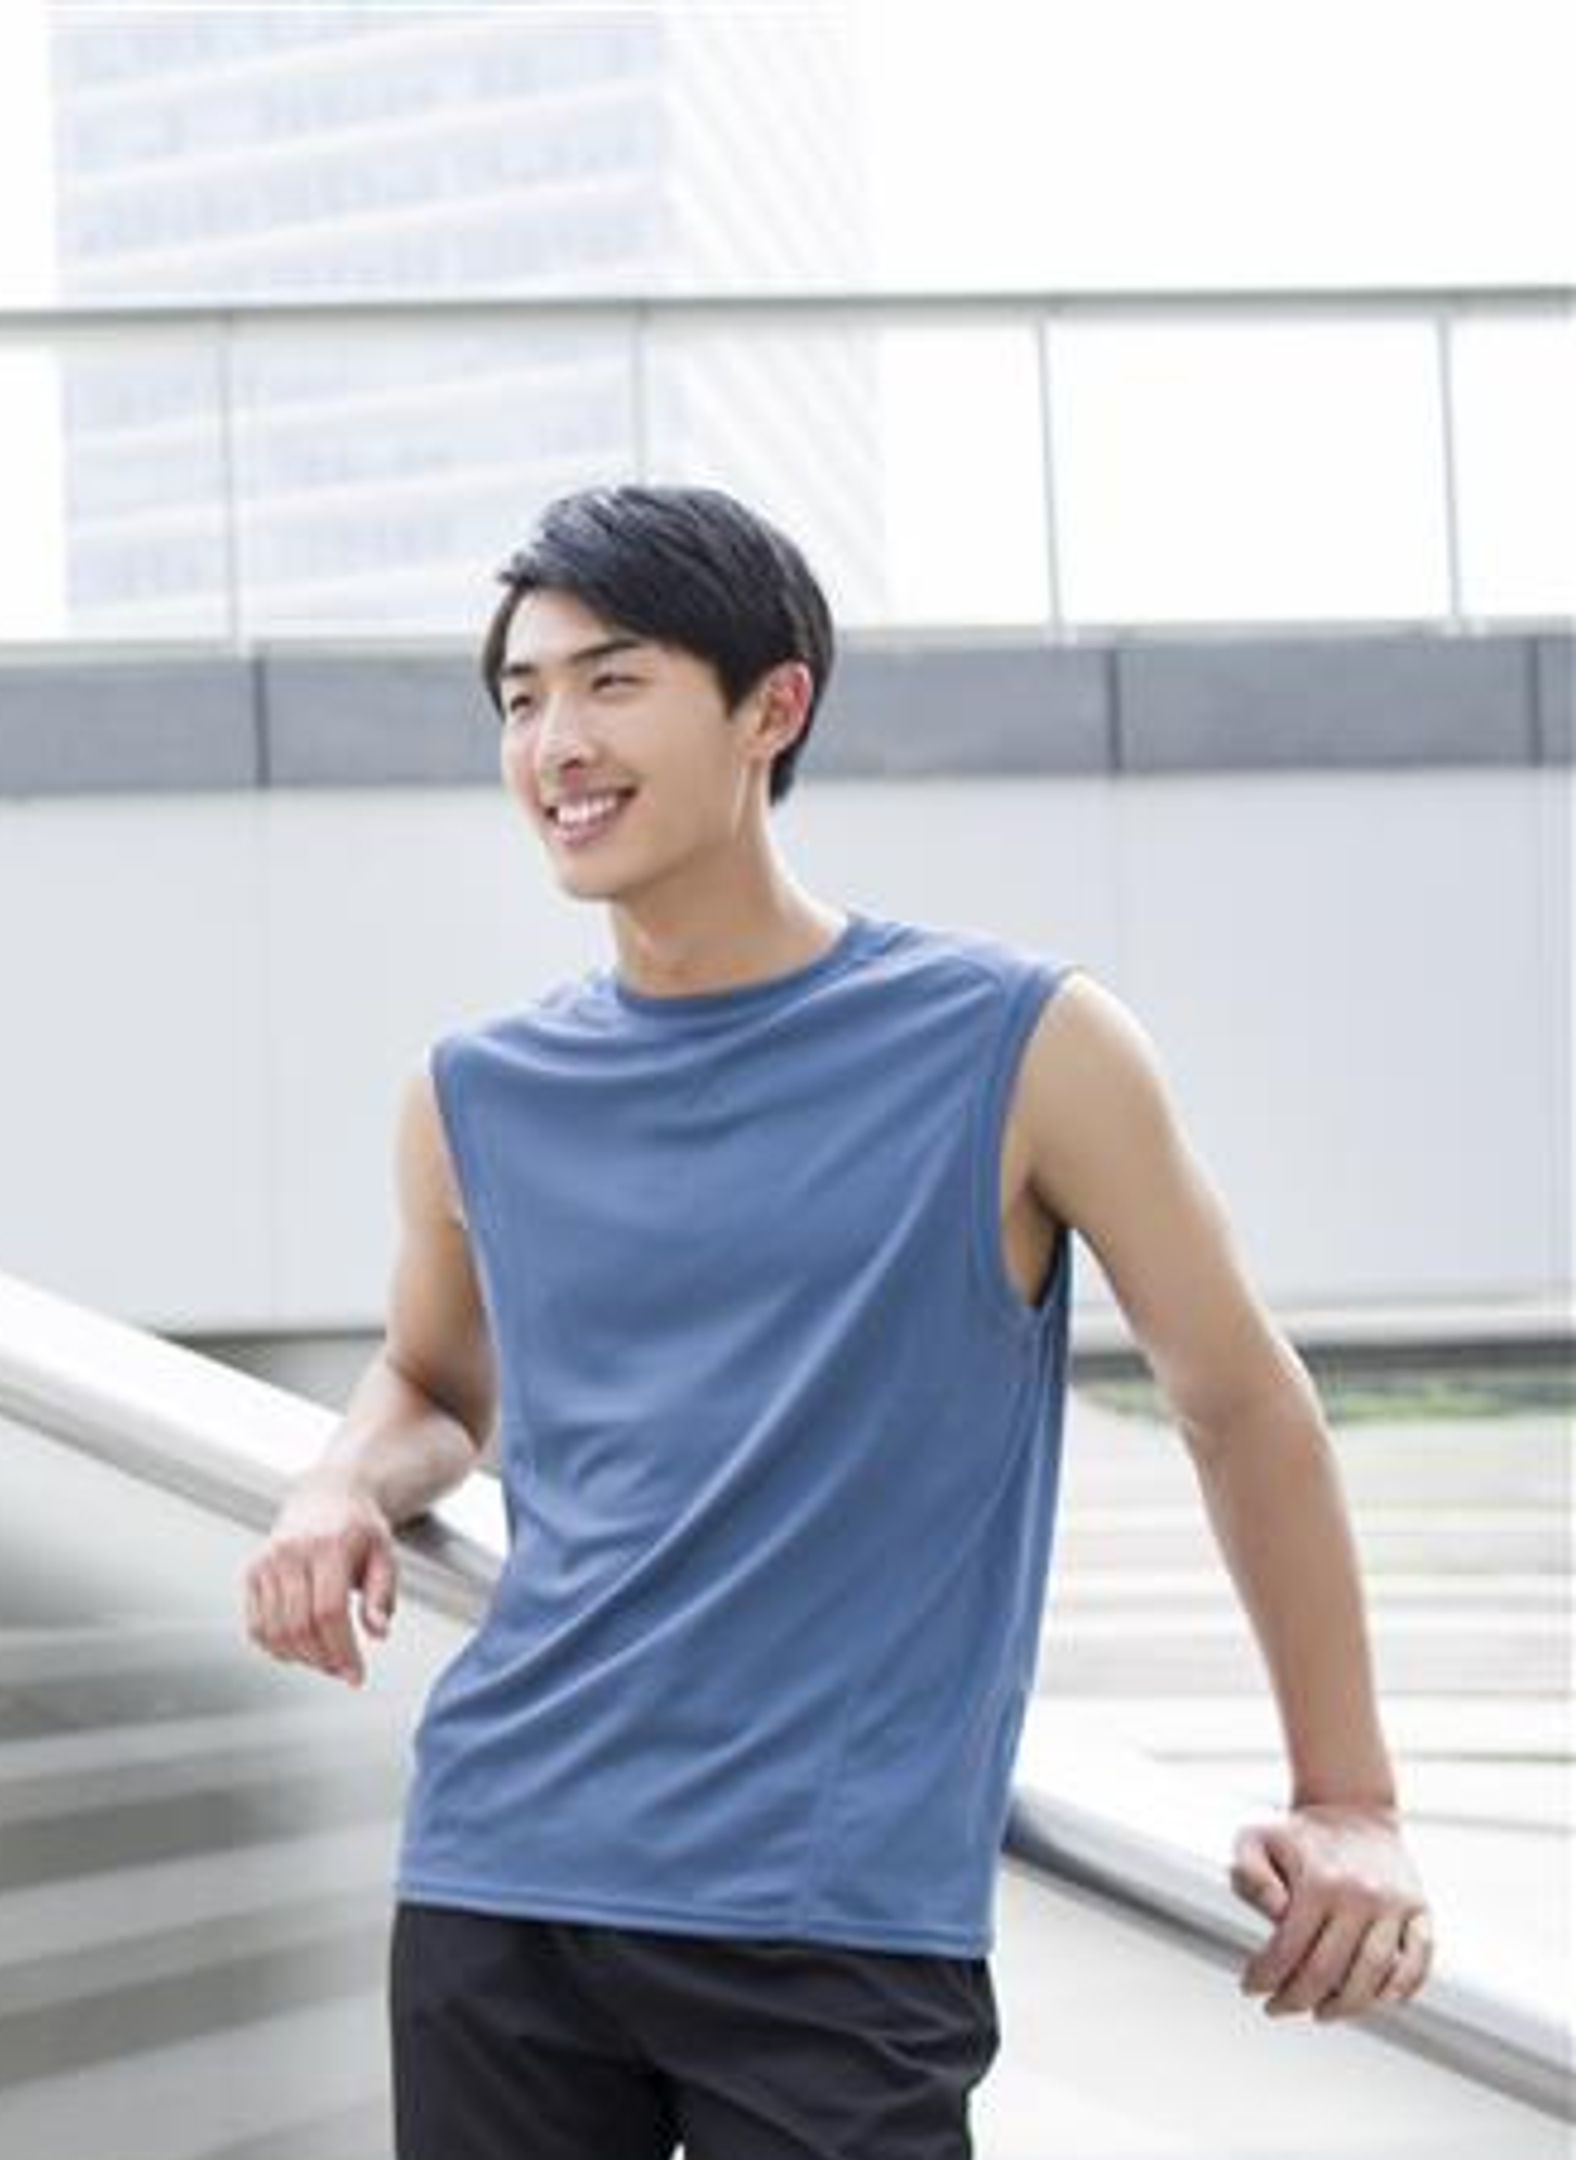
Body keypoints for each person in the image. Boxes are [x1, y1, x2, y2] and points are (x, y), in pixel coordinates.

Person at [239, 483, 1431, 2159]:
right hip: (502, 1883)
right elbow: (435, 1379)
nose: (554, 742)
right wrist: (339, 1482)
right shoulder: (473, 1094)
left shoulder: (1024, 1045)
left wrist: (1349, 1799)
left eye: (612, 681)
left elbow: (1237, 1400)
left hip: (835, 1927)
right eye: (522, 698)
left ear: (770, 706)